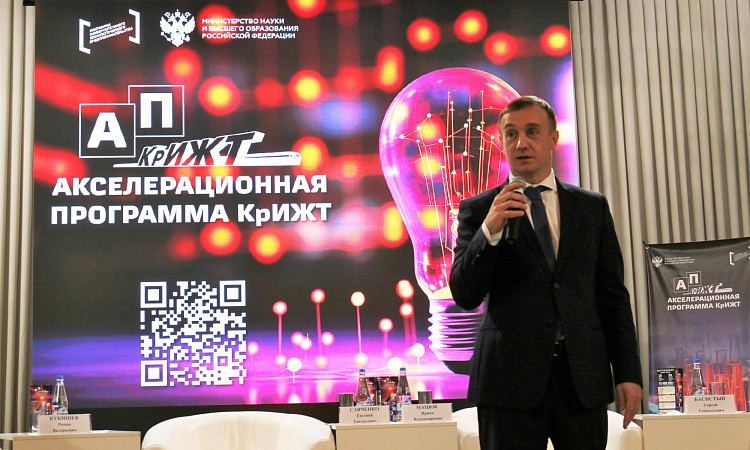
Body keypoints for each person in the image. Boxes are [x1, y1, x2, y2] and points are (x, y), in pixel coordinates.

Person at [449, 96, 642, 450]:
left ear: (553, 138)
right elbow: (464, 294)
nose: (521, 143)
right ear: (502, 142)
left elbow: (613, 297)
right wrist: (489, 231)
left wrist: (629, 373)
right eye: (511, 134)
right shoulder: (479, 211)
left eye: (532, 132)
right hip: (508, 384)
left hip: (581, 380)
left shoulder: (591, 207)